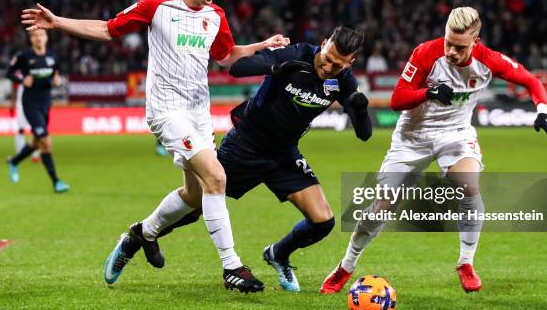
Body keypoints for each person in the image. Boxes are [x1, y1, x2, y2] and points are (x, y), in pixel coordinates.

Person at [21, 0, 289, 293]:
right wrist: (58, 22)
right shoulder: (158, 5)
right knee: (217, 178)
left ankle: (138, 235)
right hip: (167, 111)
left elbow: (225, 57)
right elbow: (107, 29)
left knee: (194, 197)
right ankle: (232, 267)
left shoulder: (216, 15)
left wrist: (262, 45)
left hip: (199, 114)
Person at [101, 26, 371, 292]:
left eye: (337, 66)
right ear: (323, 43)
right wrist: (275, 67)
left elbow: (364, 135)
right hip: (245, 145)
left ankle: (278, 253)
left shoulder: (344, 81)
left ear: (350, 62)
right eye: (327, 59)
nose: (328, 68)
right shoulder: (295, 54)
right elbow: (237, 69)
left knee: (323, 221)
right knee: (194, 204)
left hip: (284, 154)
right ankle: (137, 236)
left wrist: (359, 110)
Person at [320, 7, 547, 294]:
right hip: (412, 137)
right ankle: (346, 266)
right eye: (448, 42)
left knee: (469, 185)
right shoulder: (426, 53)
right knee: (385, 203)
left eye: (459, 47)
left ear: (476, 41)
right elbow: (397, 99)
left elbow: (532, 82)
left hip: (455, 134)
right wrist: (429, 92)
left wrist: (543, 111)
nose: (451, 51)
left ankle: (466, 262)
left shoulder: (489, 61)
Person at [6, 29, 69, 193]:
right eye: (35, 35)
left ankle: (13, 162)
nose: (38, 38)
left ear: (46, 37)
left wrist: (57, 81)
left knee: (35, 142)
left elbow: (55, 76)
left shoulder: (52, 57)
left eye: (41, 35)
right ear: (31, 39)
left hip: (45, 103)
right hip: (30, 104)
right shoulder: (24, 56)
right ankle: (56, 182)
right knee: (45, 142)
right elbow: (9, 73)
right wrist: (21, 80)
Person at [10, 81, 41, 163]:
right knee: (21, 129)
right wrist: (13, 102)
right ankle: (20, 153)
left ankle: (35, 154)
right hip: (20, 104)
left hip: (33, 104)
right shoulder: (20, 73)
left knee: (36, 129)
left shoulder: (34, 73)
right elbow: (14, 88)